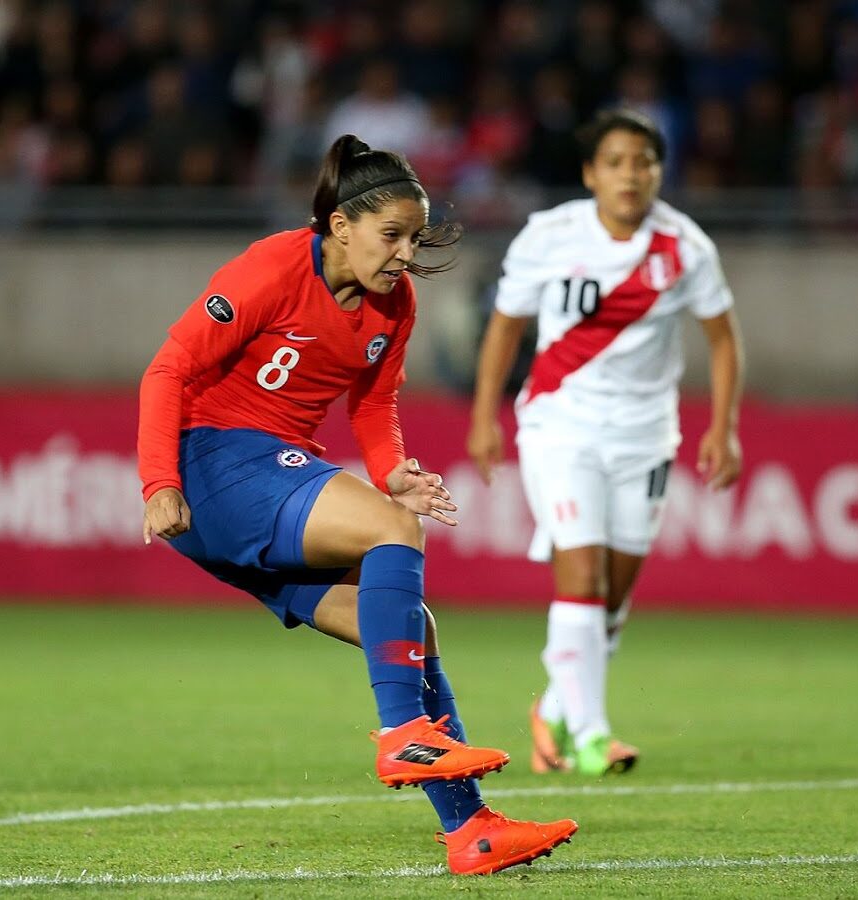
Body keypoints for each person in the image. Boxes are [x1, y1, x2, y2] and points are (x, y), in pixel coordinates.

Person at [137, 134, 577, 876]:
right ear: (341, 225)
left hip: (266, 480)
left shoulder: (393, 304)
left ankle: (470, 831)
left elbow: (374, 403)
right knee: (390, 531)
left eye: (415, 237)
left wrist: (392, 470)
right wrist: (158, 483)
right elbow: (168, 367)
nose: (406, 254)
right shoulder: (274, 266)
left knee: (413, 629)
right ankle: (405, 729)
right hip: (213, 463)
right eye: (392, 235)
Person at [468, 108, 744, 777]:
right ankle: (591, 735)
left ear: (658, 172)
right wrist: (484, 417)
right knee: (581, 577)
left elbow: (722, 337)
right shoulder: (549, 236)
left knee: (612, 599)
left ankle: (554, 714)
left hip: (645, 436)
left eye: (644, 162)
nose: (631, 174)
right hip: (560, 425)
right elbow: (506, 326)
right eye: (617, 162)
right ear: (592, 173)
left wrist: (724, 426)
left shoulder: (685, 247)